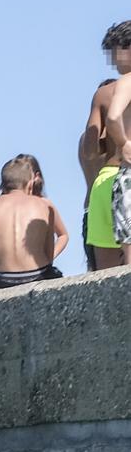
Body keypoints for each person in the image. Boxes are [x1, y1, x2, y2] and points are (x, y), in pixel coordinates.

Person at [0, 157, 68, 292]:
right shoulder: (46, 205)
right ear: (30, 183)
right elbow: (49, 245)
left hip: (3, 279)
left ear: (4, 183)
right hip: (40, 274)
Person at [82, 22, 131, 269]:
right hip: (126, 178)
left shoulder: (105, 93)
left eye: (114, 53)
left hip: (107, 179)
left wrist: (113, 143)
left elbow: (90, 150)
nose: (112, 62)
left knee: (106, 275)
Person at [80, 80, 118, 271]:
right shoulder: (116, 138)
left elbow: (89, 153)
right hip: (114, 193)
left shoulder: (85, 139)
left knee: (100, 274)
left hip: (92, 207)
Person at [105, 25, 131, 264]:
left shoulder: (127, 80)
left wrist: (123, 143)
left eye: (114, 54)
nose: (113, 63)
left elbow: (112, 117)